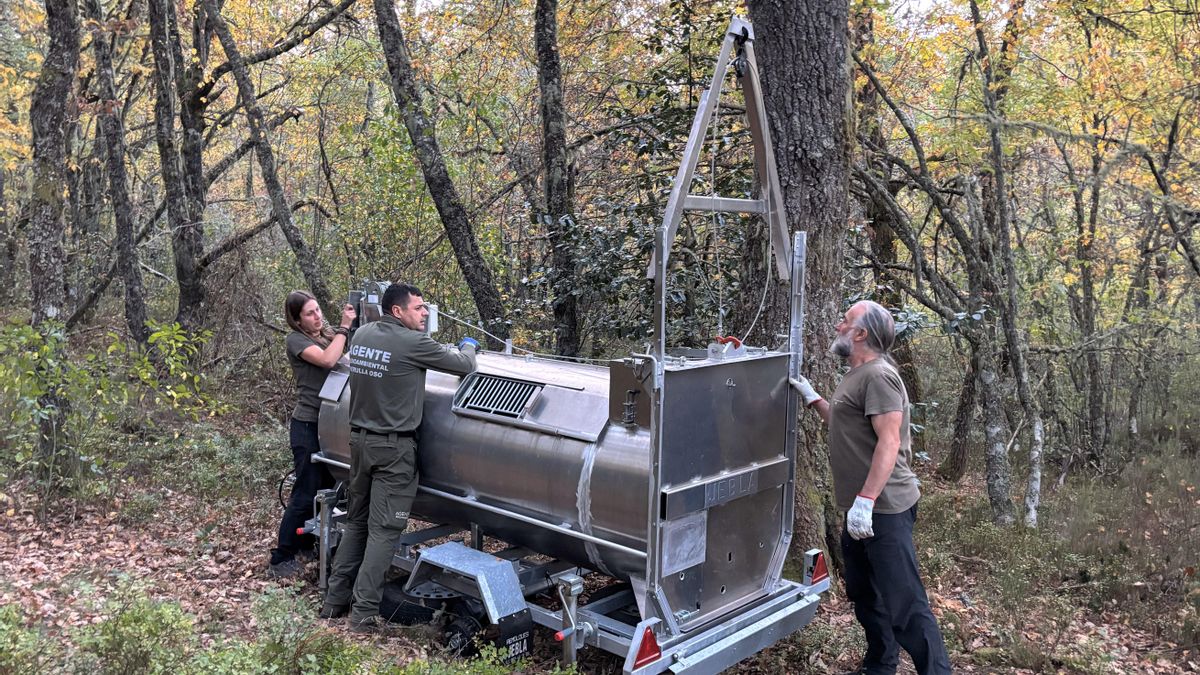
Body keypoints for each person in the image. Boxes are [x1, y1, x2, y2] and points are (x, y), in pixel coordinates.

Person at [791, 300, 951, 675]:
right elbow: (847, 423)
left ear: (861, 334)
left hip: (885, 508)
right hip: (860, 509)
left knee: (905, 604)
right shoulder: (857, 374)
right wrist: (814, 398)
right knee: (864, 595)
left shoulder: (879, 376)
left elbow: (889, 441)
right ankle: (881, 664)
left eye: (844, 322)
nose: (837, 327)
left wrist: (866, 499)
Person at [320, 283, 479, 632]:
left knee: (357, 522)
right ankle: (363, 615)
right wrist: (469, 344)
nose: (424, 314)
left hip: (359, 444)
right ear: (397, 311)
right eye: (419, 308)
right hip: (394, 451)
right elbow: (464, 365)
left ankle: (334, 601)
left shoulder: (361, 335)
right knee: (384, 531)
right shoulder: (413, 343)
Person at [269, 291, 357, 579]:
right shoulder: (296, 341)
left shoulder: (326, 334)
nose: (317, 316)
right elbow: (329, 361)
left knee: (328, 490)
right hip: (307, 425)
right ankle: (281, 556)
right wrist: (344, 327)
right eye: (310, 313)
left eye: (318, 310)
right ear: (297, 320)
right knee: (305, 492)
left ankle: (307, 543)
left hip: (330, 424)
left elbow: (348, 358)